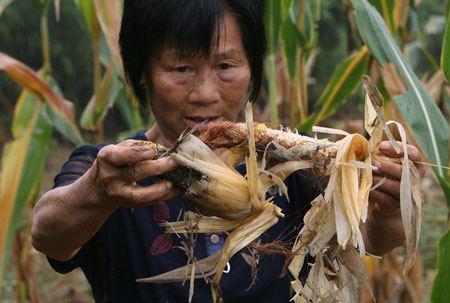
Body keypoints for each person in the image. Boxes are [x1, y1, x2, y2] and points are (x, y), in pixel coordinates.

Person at [31, 1, 425, 302]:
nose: (205, 93)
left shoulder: (298, 167)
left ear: (252, 67)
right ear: (142, 74)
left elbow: (374, 239)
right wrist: (94, 192)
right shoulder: (111, 174)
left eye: (225, 65)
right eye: (180, 69)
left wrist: (388, 205)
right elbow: (48, 234)